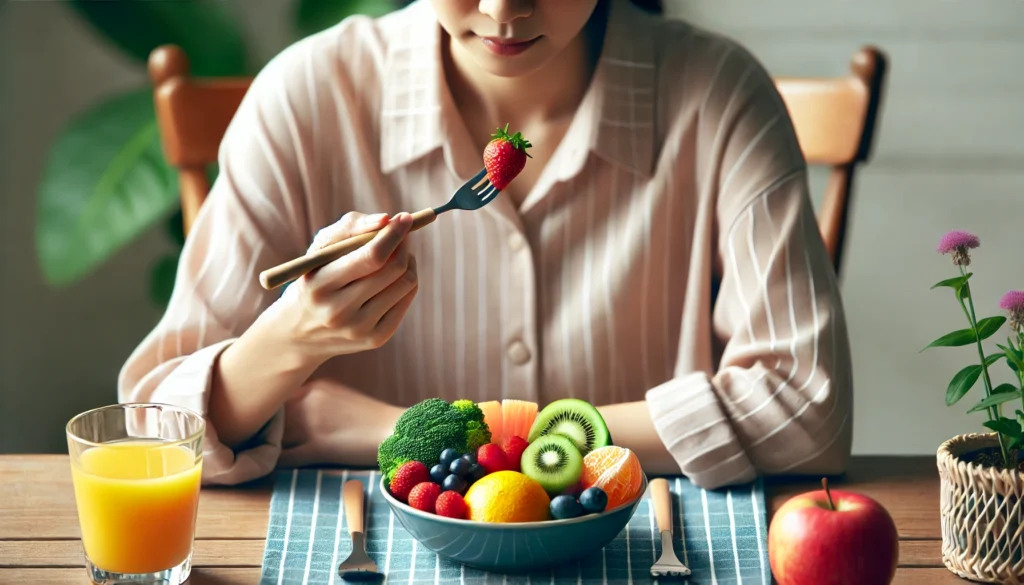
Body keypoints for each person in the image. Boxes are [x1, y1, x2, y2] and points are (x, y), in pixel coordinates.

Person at [119, 0, 853, 489]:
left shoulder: (719, 97)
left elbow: (804, 406)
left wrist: (405, 435)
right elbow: (157, 424)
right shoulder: (309, 94)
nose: (504, 8)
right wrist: (288, 340)